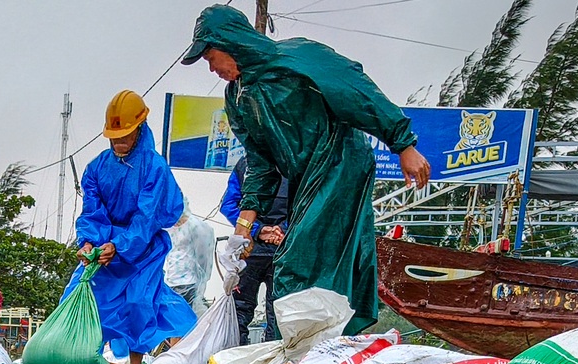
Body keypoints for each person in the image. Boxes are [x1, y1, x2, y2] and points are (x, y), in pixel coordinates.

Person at [184, 6, 431, 335]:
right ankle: (321, 343)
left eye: (211, 57)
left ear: (229, 42)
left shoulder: (296, 58)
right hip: (305, 180)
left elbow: (354, 89)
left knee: (297, 264)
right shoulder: (238, 97)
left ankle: (302, 347)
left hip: (341, 163)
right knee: (316, 266)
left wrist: (402, 144)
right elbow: (260, 164)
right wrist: (243, 230)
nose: (212, 68)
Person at [70, 90, 198, 364]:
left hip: (143, 249)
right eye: (114, 137)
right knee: (84, 296)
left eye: (125, 136)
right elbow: (92, 210)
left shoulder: (154, 168)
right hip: (104, 248)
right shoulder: (96, 168)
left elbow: (147, 217)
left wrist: (119, 245)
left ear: (139, 129)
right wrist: (88, 242)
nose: (119, 142)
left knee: (139, 302)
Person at [221, 154, 292, 340]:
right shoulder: (296, 159)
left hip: (250, 250)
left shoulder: (246, 162)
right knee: (279, 314)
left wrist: (257, 230)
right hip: (282, 250)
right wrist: (281, 231)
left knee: (240, 312)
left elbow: (229, 205)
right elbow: (306, 206)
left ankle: (234, 355)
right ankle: (274, 358)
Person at [163, 203, 218, 315]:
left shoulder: (195, 226)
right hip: (169, 280)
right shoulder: (167, 227)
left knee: (185, 316)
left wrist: (201, 279)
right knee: (174, 317)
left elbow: (203, 256)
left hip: (188, 281)